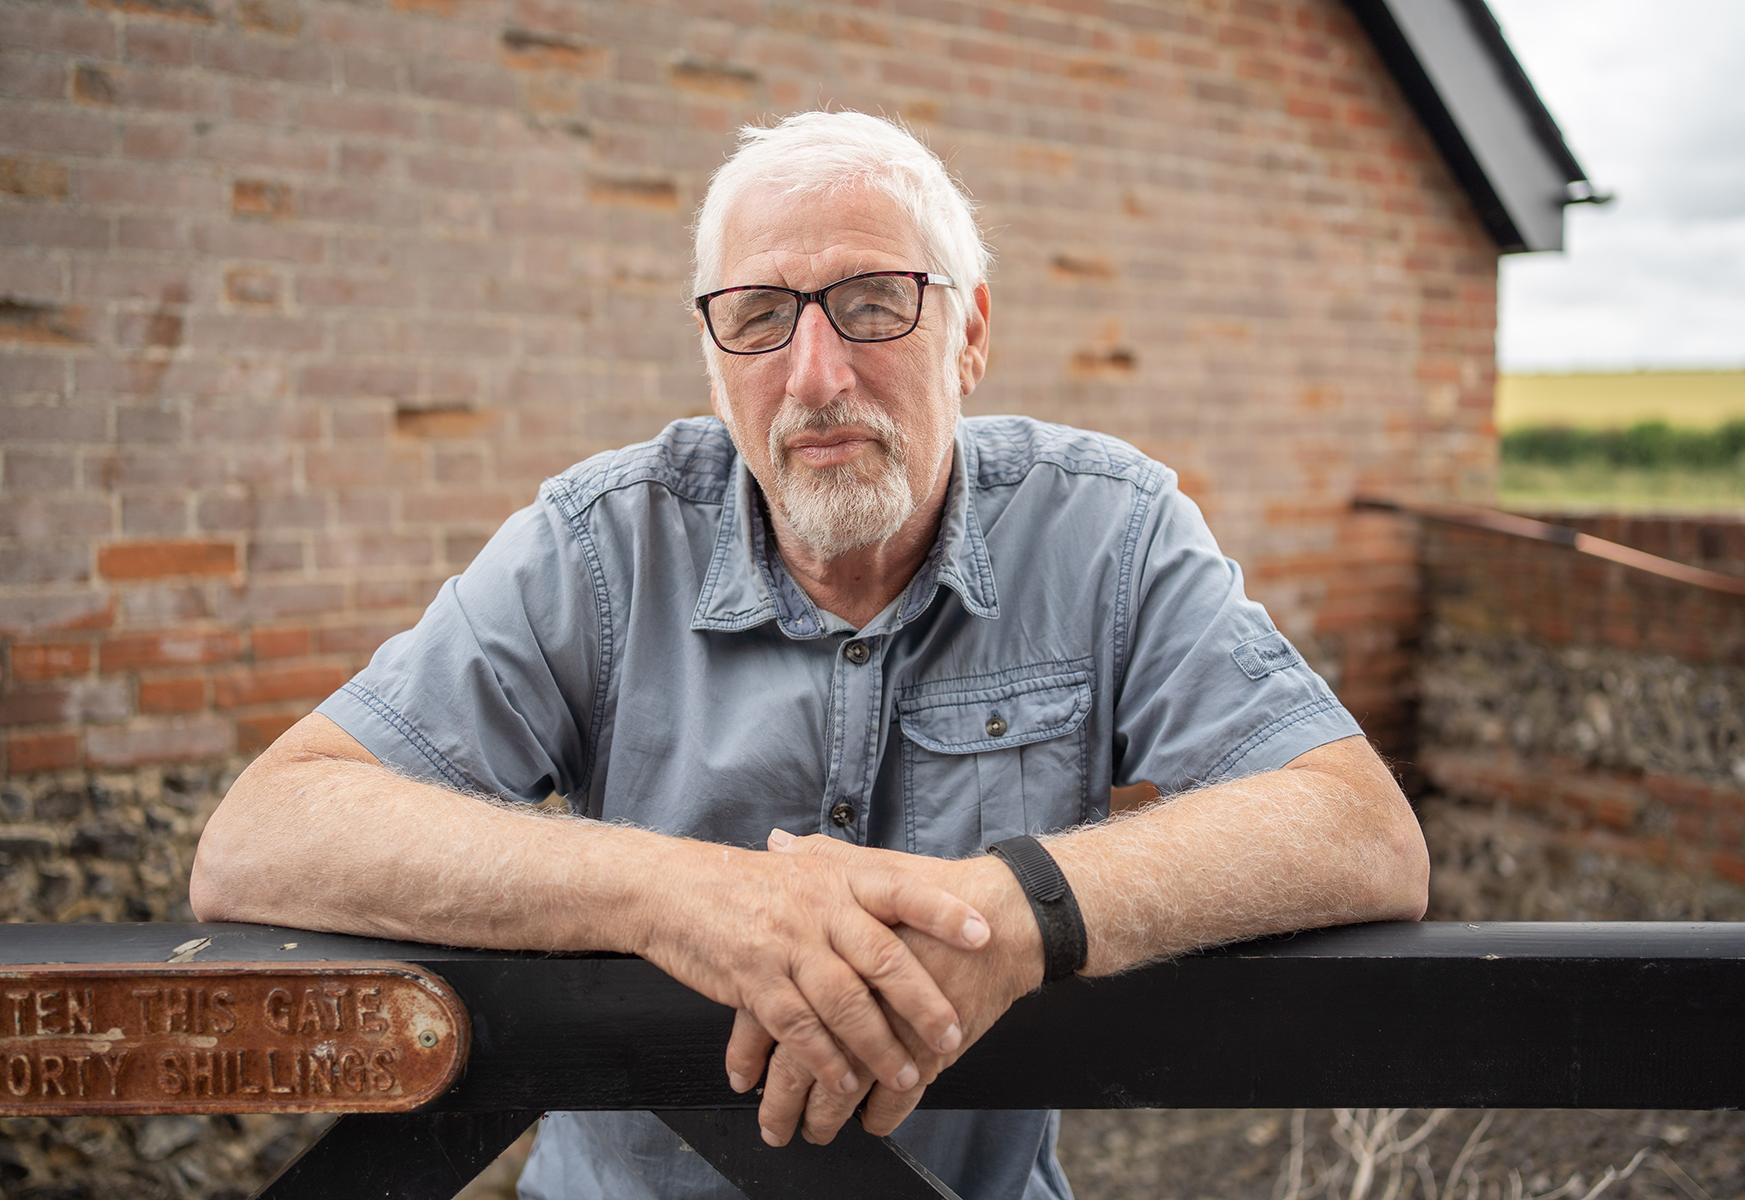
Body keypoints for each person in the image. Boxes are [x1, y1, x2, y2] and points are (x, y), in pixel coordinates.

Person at [190, 110, 1429, 1200]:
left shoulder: (1107, 530)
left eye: (874, 303)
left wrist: (1015, 911)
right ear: (712, 353)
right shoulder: (598, 547)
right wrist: (687, 899)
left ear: (971, 332)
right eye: (761, 318)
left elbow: (1356, 829)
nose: (816, 375)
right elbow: (267, 834)